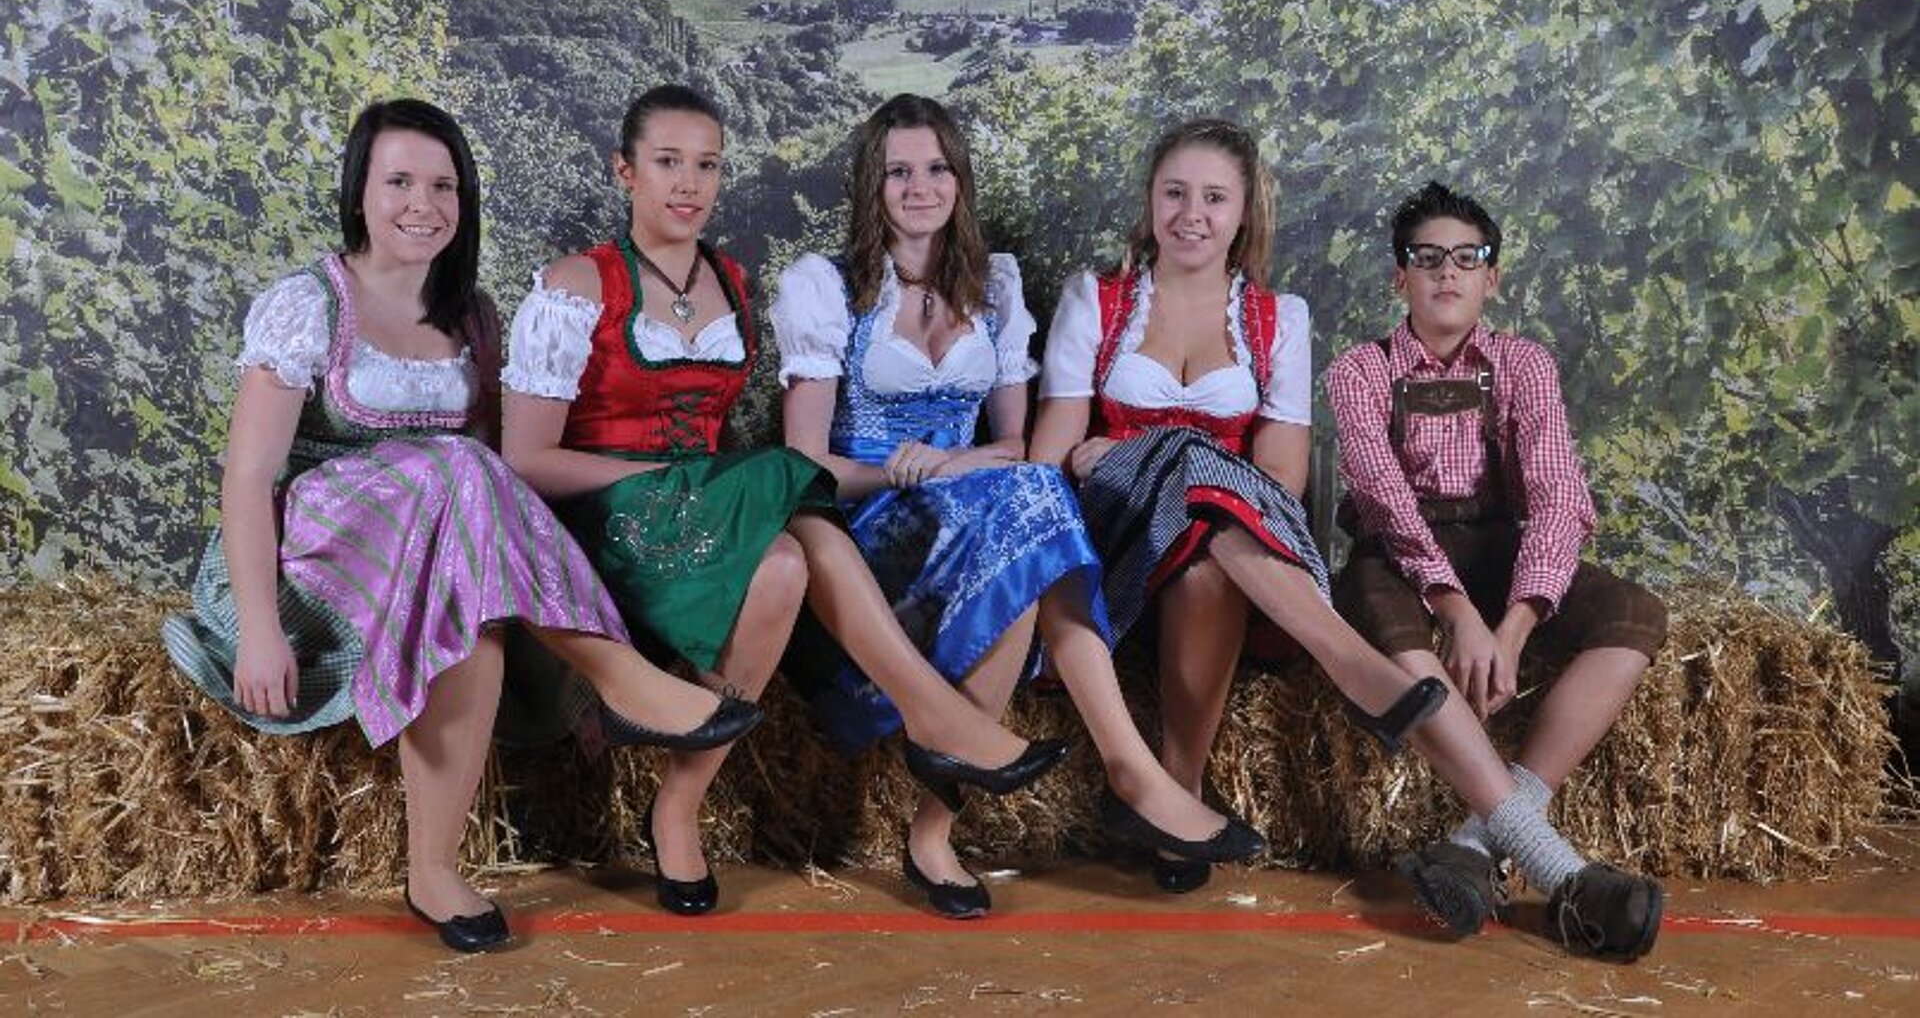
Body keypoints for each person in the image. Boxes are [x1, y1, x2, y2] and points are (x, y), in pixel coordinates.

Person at [1030, 119, 1663, 962]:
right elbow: (1054, 460)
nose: (1192, 213)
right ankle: (1350, 663)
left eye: (1214, 197)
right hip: (1124, 533)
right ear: (1149, 202)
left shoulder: (1280, 319)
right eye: (1174, 193)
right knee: (1187, 461)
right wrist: (1141, 456)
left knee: (1206, 533)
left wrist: (1513, 623)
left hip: (1231, 542)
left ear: (1244, 212)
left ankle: (1457, 841)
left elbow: (1281, 478)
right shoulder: (1104, 301)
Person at [162, 99, 761, 955]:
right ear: (359, 192)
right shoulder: (308, 304)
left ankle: (433, 868)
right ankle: (617, 675)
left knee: (470, 596)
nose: (423, 204)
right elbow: (249, 477)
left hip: (430, 550)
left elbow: (490, 492)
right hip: (318, 554)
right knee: (463, 464)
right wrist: (259, 629)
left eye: (443, 186)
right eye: (399, 182)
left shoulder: (472, 314)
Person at [500, 84, 1066, 917]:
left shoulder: (729, 280)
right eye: (667, 162)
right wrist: (666, 480)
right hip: (612, 512)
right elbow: (524, 461)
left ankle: (678, 804)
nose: (688, 184)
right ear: (625, 171)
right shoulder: (575, 286)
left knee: (782, 567)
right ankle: (933, 714)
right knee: (784, 471)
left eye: (706, 166)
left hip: (704, 513)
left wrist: (704, 487)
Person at [771, 94, 1262, 917]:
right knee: (1030, 506)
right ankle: (1129, 771)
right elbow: (803, 467)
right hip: (866, 526)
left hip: (974, 510)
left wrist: (956, 464)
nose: (920, 188)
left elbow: (1015, 445)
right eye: (898, 172)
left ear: (960, 179)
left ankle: (940, 831)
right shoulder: (827, 288)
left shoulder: (992, 286)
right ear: (870, 185)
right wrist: (900, 475)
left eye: (937, 169)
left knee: (1028, 510)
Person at [1326, 180, 1668, 947]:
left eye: (1466, 257)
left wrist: (1512, 629)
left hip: (1497, 548)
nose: (1447, 272)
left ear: (1492, 277)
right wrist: (1455, 613)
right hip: (1399, 557)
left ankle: (1475, 846)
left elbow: (1557, 496)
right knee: (1391, 635)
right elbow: (1386, 501)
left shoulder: (1523, 364)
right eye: (1427, 258)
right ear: (1401, 278)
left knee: (1635, 614)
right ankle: (1564, 876)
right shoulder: (1360, 371)